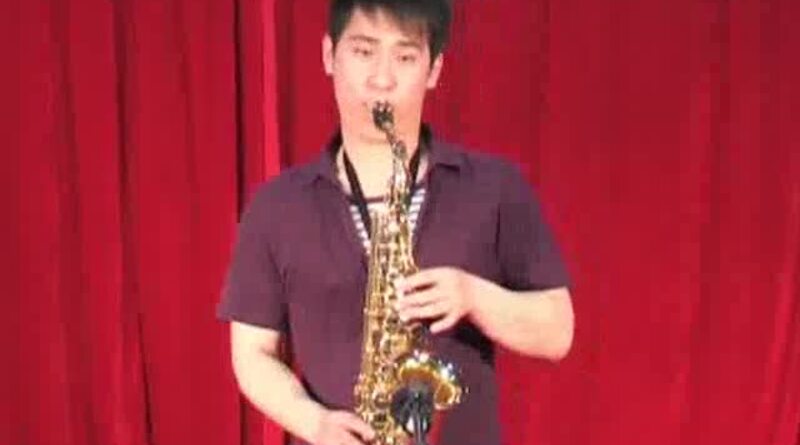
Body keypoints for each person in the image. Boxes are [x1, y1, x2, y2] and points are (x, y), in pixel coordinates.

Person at [217, 1, 574, 444]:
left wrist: (474, 296)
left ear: (434, 69)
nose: (381, 79)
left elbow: (558, 332)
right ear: (329, 55)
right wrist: (314, 423)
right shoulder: (276, 206)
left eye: (404, 56)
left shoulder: (496, 187)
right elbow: (252, 353)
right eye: (364, 51)